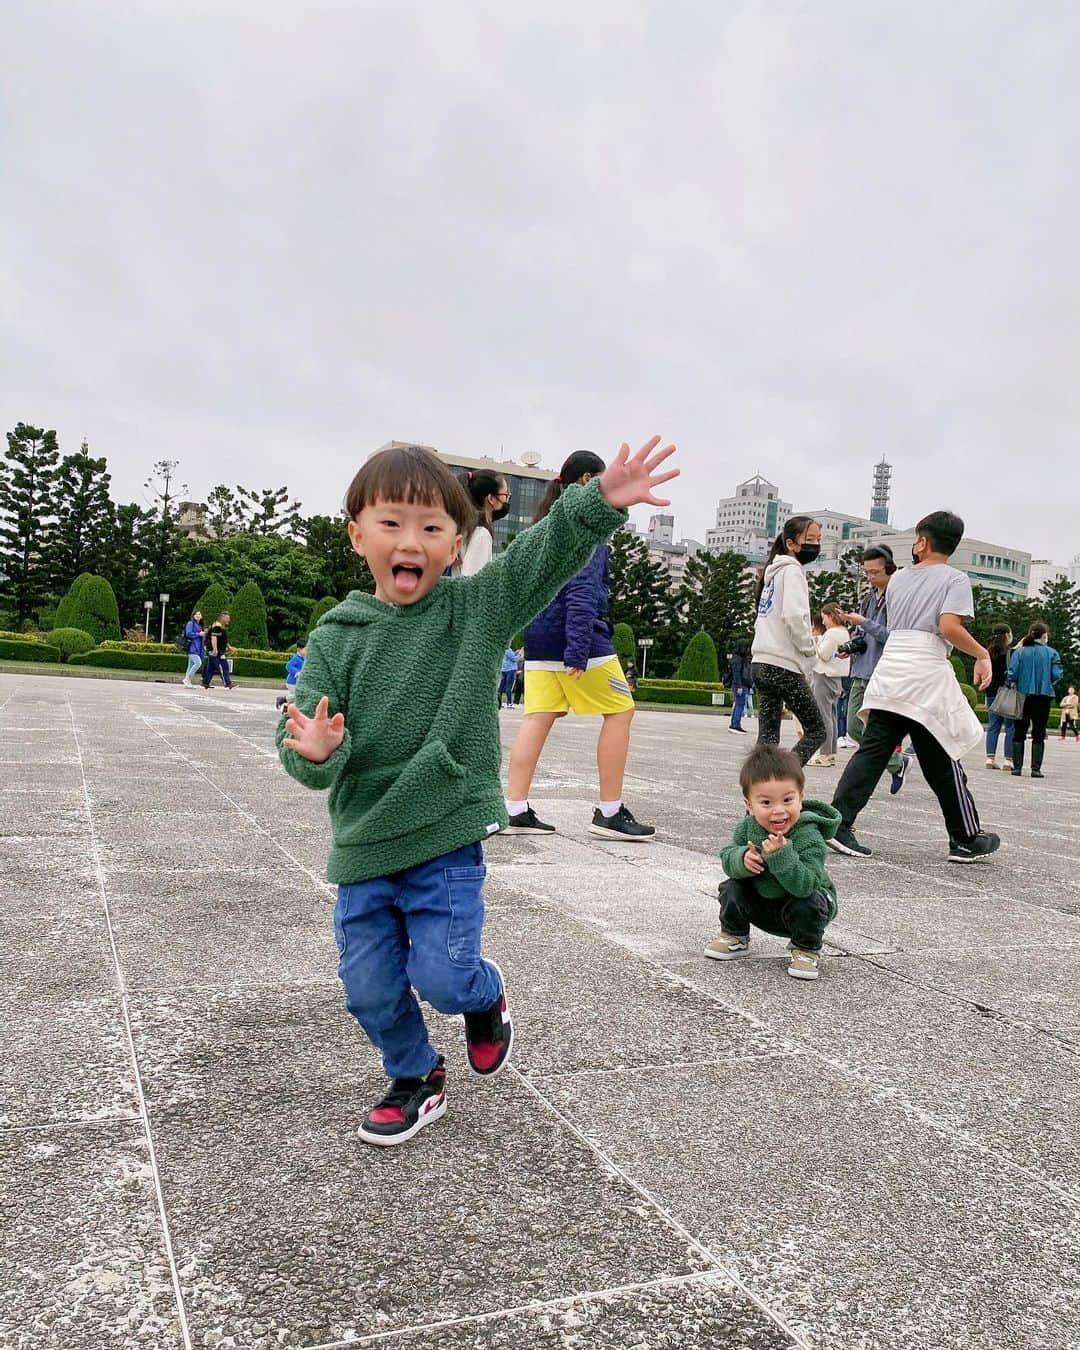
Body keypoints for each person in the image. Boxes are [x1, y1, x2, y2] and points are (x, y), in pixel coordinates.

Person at [277, 437, 678, 1147]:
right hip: (364, 843)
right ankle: (415, 1074)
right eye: (393, 523)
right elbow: (309, 745)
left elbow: (538, 557)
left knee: (444, 977)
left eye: (433, 529)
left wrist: (594, 505)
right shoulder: (336, 636)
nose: (412, 542)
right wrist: (314, 752)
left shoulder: (475, 611)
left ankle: (485, 995)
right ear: (356, 533)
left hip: (444, 829)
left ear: (458, 546)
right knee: (367, 989)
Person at [828, 511, 999, 863]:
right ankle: (965, 837)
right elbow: (948, 626)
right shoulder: (955, 580)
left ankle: (839, 822)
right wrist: (982, 654)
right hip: (924, 669)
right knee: (943, 754)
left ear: (922, 541)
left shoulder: (900, 579)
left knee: (873, 750)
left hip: (892, 667)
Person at [504, 451, 655, 842]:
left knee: (539, 715)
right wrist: (577, 649)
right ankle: (609, 811)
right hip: (580, 640)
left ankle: (513, 807)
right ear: (588, 481)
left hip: (537, 637)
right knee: (621, 711)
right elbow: (584, 590)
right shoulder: (588, 526)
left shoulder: (543, 526)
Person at [703, 745, 841, 982]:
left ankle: (806, 949)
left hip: (804, 907)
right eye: (766, 803)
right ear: (750, 805)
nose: (779, 811)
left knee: (810, 901)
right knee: (731, 887)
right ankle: (735, 936)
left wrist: (781, 856)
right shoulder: (748, 828)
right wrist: (742, 859)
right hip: (765, 904)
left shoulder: (809, 835)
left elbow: (806, 886)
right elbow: (728, 855)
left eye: (788, 800)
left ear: (801, 798)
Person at [834, 545, 912, 794]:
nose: (869, 577)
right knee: (854, 727)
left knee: (877, 730)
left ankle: (887, 766)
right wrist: (851, 646)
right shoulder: (868, 598)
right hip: (861, 670)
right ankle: (898, 763)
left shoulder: (898, 598)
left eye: (874, 572)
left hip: (883, 672)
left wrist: (864, 622)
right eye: (866, 572)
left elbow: (894, 637)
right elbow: (864, 636)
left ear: (889, 568)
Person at [750, 516, 826, 766]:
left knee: (767, 740)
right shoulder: (792, 571)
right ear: (792, 544)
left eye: (818, 540)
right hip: (782, 665)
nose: (816, 545)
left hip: (761, 663)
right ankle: (782, 779)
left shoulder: (771, 574)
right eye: (810, 540)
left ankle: (759, 795)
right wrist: (809, 651)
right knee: (816, 730)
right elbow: (795, 617)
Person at [1009, 622, 1064, 778]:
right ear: (1044, 635)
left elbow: (1012, 673)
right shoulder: (1052, 653)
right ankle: (1035, 769)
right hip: (1043, 695)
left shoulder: (1019, 652)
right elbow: (1057, 674)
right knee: (1039, 731)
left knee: (1019, 730)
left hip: (1022, 694)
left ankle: (1017, 768)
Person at [806, 604, 850, 767]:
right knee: (831, 715)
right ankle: (830, 753)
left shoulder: (832, 634)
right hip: (836, 677)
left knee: (824, 716)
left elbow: (824, 655)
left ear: (831, 616)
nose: (822, 622)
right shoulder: (844, 632)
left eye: (824, 617)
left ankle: (824, 754)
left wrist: (815, 641)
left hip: (824, 676)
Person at [457, 469, 512, 576]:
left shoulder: (465, 525)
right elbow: (472, 581)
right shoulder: (482, 533)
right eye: (506, 495)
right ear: (491, 498)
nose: (507, 500)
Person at [983, 623, 1015, 769]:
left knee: (993, 727)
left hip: (991, 693)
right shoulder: (1011, 653)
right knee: (1010, 727)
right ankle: (1008, 761)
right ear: (1007, 635)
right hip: (1006, 693)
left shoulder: (987, 652)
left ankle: (990, 759)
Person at [201, 612, 234, 690]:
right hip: (216, 651)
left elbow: (222, 639)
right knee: (223, 666)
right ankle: (228, 683)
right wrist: (215, 649)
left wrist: (229, 647)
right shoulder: (217, 626)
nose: (228, 620)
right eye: (227, 618)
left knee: (211, 668)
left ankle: (205, 682)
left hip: (217, 650)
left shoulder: (220, 626)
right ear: (223, 618)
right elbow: (214, 637)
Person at [726, 638, 753, 736]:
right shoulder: (737, 659)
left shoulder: (739, 658)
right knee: (740, 705)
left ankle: (735, 724)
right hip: (740, 685)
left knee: (739, 705)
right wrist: (739, 686)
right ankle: (735, 725)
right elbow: (736, 674)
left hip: (741, 684)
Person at [276, 642, 307, 711]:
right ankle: (282, 699)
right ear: (299, 649)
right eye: (305, 649)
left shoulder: (303, 658)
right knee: (299, 695)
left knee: (294, 698)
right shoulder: (296, 658)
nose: (307, 651)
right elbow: (288, 666)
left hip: (297, 682)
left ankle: (286, 709)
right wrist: (297, 672)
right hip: (292, 682)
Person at [181, 610, 205, 688]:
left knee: (190, 665)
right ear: (193, 615)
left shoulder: (200, 626)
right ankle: (186, 679)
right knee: (198, 663)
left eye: (199, 614)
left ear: (201, 617)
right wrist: (199, 634)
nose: (198, 615)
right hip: (192, 647)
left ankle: (188, 683)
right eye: (196, 614)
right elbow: (188, 633)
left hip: (197, 648)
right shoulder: (191, 623)